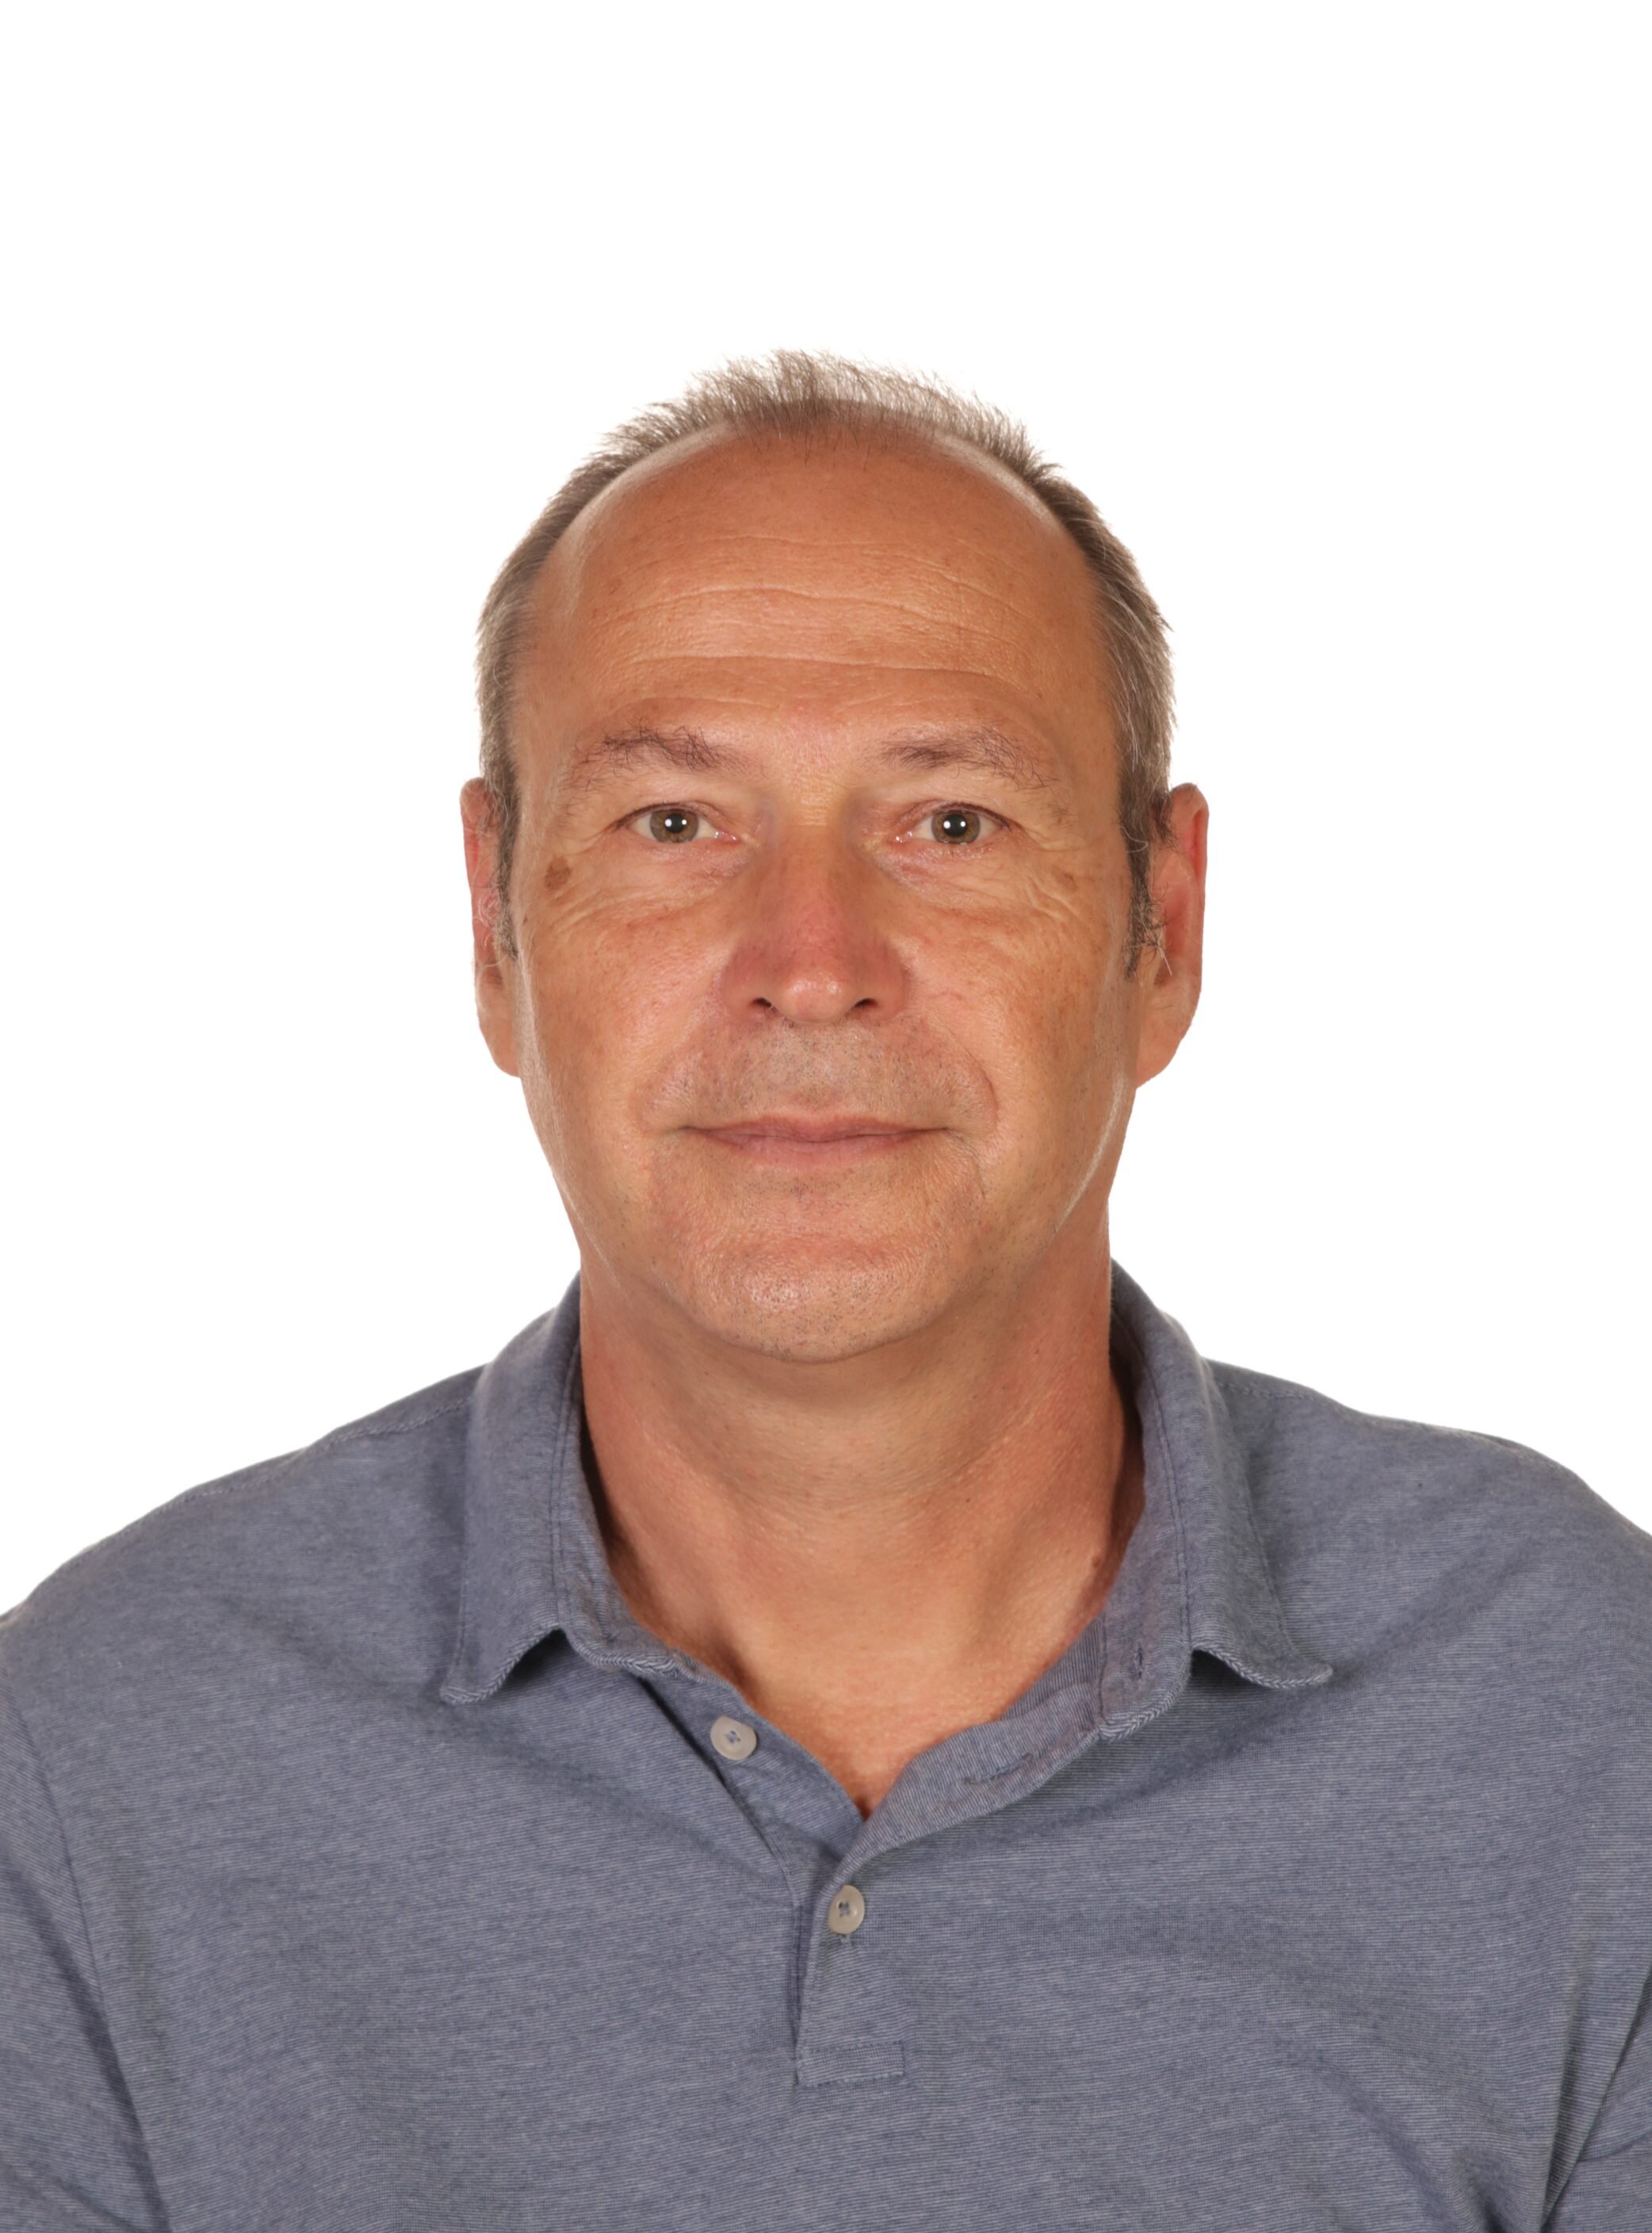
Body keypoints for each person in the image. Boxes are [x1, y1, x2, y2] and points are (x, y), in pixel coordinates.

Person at [2, 352, 1646, 2231]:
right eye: (671, 823)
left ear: (1163, 934)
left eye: (950, 822)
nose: (807, 960)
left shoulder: (1588, 1721)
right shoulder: (89, 1774)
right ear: (494, 930)